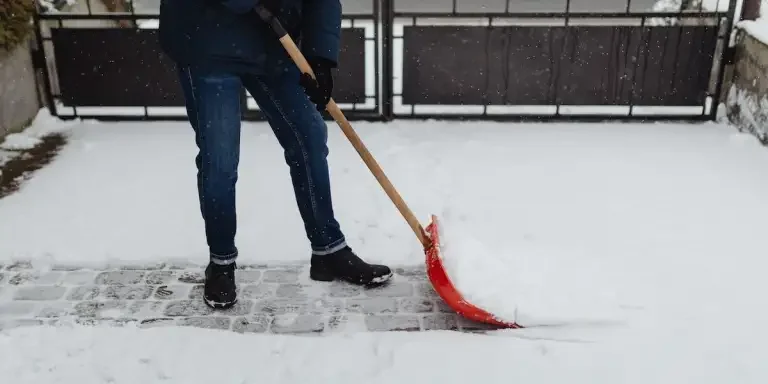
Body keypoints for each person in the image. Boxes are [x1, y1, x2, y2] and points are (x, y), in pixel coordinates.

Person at [158, 0, 393, 310]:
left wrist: (320, 57)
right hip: (207, 40)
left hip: (269, 42)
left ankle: (328, 250)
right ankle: (221, 263)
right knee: (221, 157)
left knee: (308, 135)